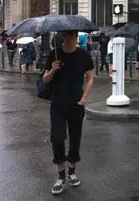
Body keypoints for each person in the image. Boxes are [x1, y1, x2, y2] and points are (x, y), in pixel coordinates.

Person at [43, 30, 94, 195]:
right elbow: (44, 80)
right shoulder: (54, 55)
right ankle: (60, 176)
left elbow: (90, 78)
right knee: (57, 138)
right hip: (58, 103)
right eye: (65, 35)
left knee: (75, 138)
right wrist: (52, 70)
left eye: (71, 35)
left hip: (76, 104)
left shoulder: (84, 55)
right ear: (62, 37)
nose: (68, 38)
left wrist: (83, 99)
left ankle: (72, 172)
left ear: (75, 37)